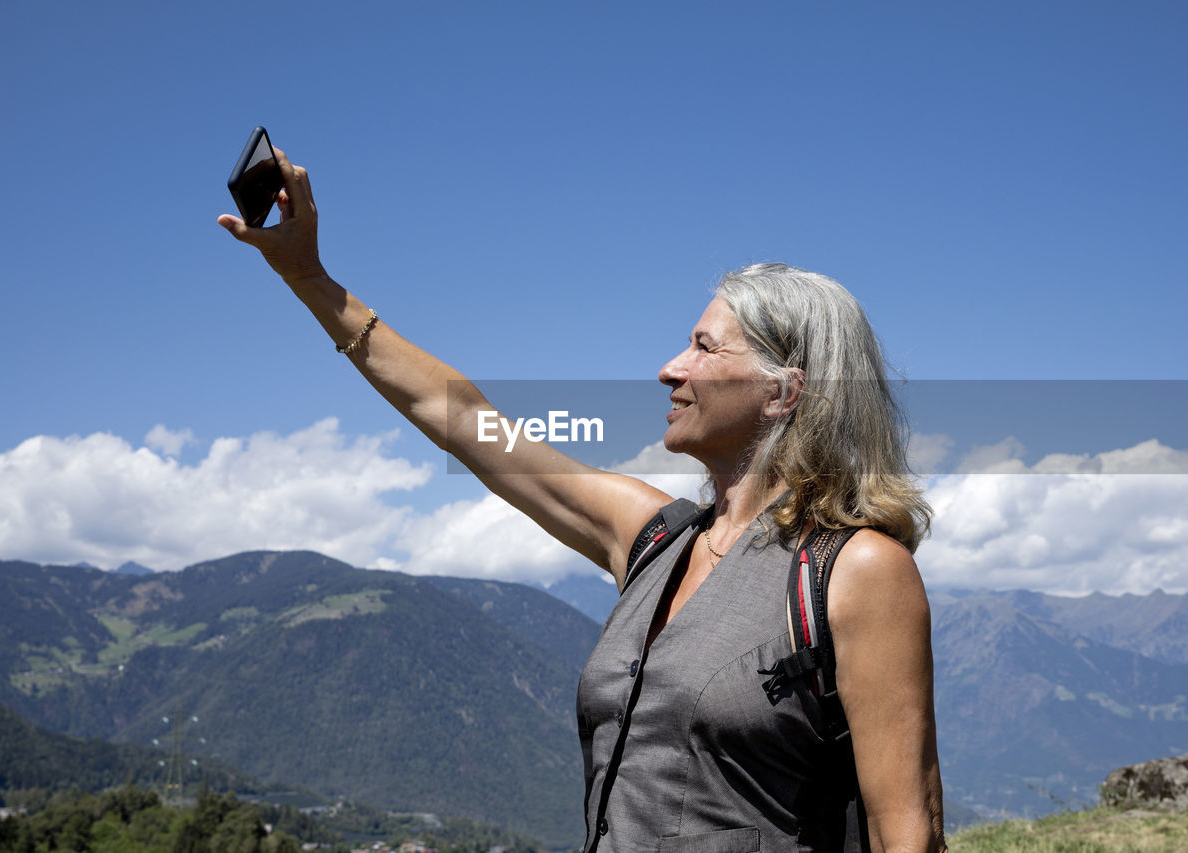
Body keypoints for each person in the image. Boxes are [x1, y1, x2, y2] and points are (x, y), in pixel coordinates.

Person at [219, 148, 947, 853]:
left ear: (784, 390)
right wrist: (310, 277)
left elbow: (907, 834)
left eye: (703, 347)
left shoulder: (856, 572)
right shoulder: (657, 540)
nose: (670, 369)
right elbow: (472, 426)